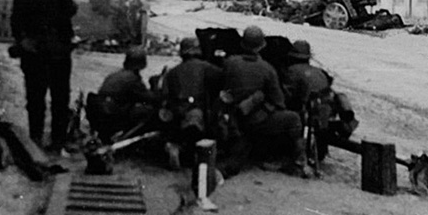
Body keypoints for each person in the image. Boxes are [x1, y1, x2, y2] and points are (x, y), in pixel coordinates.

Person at [218, 26, 312, 179]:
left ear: (242, 44)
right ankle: (298, 163)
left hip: (231, 117)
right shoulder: (267, 69)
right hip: (253, 121)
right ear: (261, 46)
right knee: (293, 119)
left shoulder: (230, 62)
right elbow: (279, 101)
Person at [10, 0, 78, 153]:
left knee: (35, 98)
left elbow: (15, 23)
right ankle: (57, 141)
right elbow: (71, 10)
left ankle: (35, 138)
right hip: (58, 54)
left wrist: (24, 41)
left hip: (34, 53)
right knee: (60, 98)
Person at [282, 40, 358, 163]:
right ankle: (338, 128)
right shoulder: (319, 72)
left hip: (309, 111)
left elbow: (287, 93)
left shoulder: (291, 71)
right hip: (327, 110)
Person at [160, 37, 223, 169]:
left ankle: (174, 147)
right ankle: (199, 154)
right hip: (197, 112)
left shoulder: (172, 72)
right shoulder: (207, 67)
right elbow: (222, 81)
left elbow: (164, 95)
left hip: (177, 112)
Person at [87, 46, 160, 143]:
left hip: (99, 111)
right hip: (112, 115)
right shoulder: (132, 79)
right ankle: (132, 140)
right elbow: (149, 98)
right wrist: (155, 85)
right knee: (150, 111)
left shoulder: (114, 75)